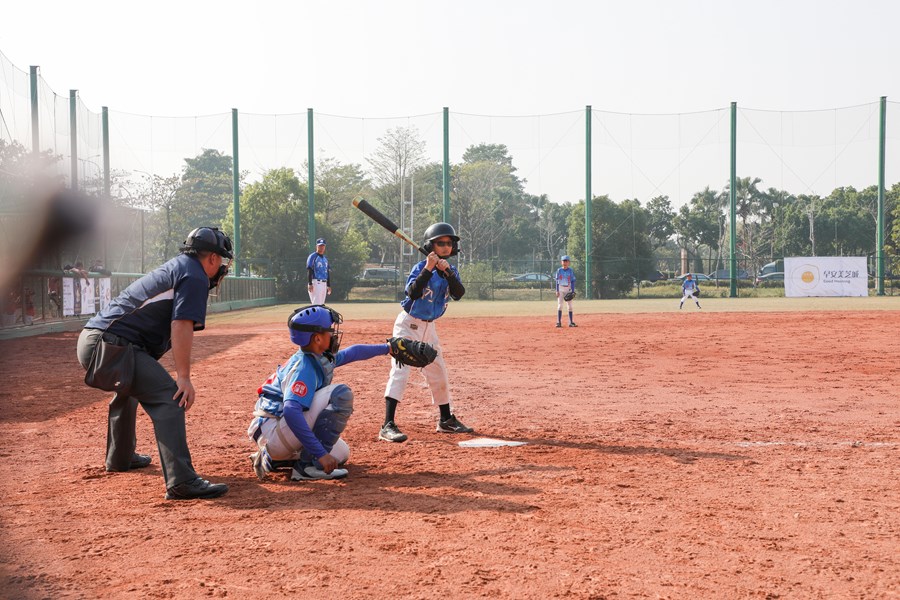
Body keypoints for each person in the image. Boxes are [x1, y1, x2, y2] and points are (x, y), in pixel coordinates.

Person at [75, 227, 233, 501]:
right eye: (221, 260)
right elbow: (181, 324)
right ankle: (182, 481)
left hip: (97, 341)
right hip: (110, 346)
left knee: (131, 389)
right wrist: (183, 377)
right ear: (211, 259)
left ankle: (120, 457)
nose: (221, 267)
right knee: (169, 397)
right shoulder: (194, 275)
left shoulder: (179, 267)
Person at [247, 305, 395, 481]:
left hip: (278, 432)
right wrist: (319, 454)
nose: (333, 334)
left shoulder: (316, 356)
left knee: (341, 453)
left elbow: (353, 352)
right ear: (317, 338)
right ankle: (306, 466)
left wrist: (388, 348)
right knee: (340, 394)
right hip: (274, 430)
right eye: (329, 331)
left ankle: (283, 459)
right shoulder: (304, 367)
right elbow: (291, 411)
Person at [379, 222, 473, 443]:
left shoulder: (451, 271)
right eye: (441, 243)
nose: (446, 246)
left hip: (429, 328)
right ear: (431, 246)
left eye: (449, 243)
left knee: (438, 371)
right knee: (400, 370)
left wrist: (447, 272)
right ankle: (387, 424)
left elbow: (459, 293)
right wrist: (429, 268)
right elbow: (412, 293)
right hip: (408, 324)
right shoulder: (421, 268)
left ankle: (445, 420)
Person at [306, 238, 331, 304]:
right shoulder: (312, 256)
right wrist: (310, 283)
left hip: (324, 283)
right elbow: (309, 269)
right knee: (316, 305)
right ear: (316, 246)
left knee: (321, 305)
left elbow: (327, 272)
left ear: (325, 247)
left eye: (323, 246)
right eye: (320, 246)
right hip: (316, 283)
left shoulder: (325, 258)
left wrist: (328, 285)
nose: (321, 247)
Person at [555, 255, 577, 327]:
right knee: (560, 305)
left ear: (569, 262)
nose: (565, 262)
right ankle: (558, 322)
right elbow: (557, 281)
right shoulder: (559, 270)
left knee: (570, 306)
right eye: (564, 261)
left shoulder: (570, 270)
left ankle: (571, 322)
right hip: (561, 289)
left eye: (566, 261)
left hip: (568, 289)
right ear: (561, 262)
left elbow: (573, 281)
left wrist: (572, 291)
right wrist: (557, 290)